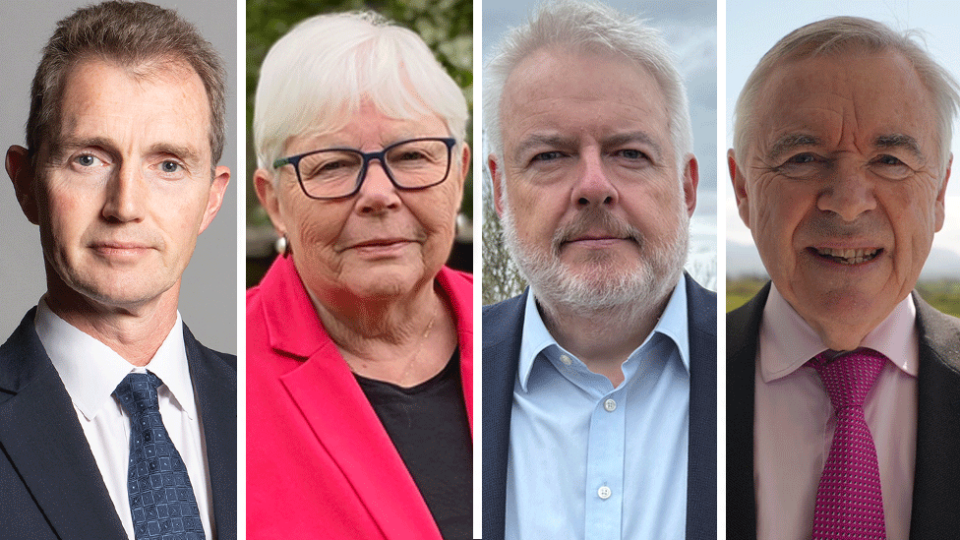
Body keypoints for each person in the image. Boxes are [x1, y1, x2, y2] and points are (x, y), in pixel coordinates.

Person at [0, 2, 236, 540]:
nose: (125, 205)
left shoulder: (270, 408)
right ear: (25, 182)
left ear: (211, 200)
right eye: (89, 158)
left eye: (168, 165)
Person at [481, 1, 717, 539]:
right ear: (499, 190)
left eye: (629, 153)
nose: (593, 186)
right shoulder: (452, 370)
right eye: (549, 156)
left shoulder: (755, 368)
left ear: (686, 187)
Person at [727, 16, 960, 540]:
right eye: (803, 158)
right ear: (742, 190)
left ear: (940, 193)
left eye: (891, 160)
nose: (849, 202)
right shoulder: (681, 384)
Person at [246, 11, 472, 540]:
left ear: (458, 177)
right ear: (274, 201)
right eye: (332, 164)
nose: (378, 194)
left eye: (412, 155)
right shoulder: (216, 375)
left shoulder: (526, 340)